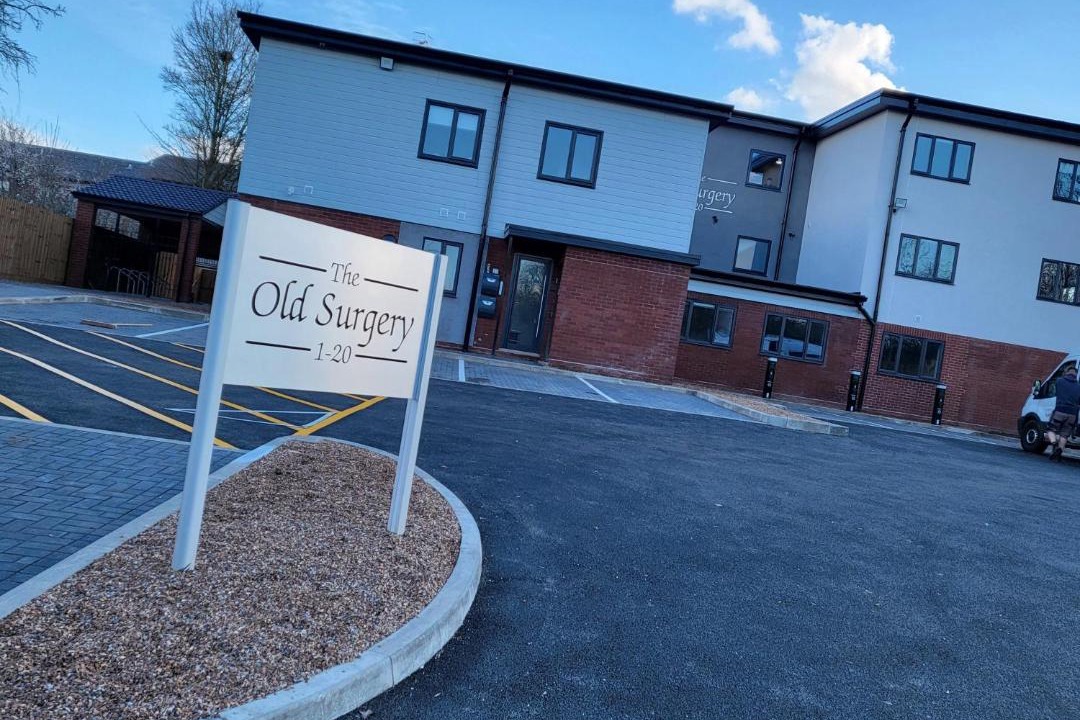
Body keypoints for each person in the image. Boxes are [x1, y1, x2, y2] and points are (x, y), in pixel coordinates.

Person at [1044, 364, 1080, 461]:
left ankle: (1054, 444)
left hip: (1060, 410)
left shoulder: (1059, 381)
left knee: (1050, 430)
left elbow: (1054, 391)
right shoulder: (1079, 386)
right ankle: (1058, 453)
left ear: (1067, 372)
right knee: (1065, 434)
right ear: (1076, 375)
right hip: (1072, 414)